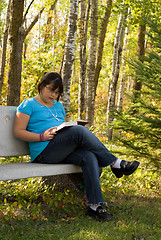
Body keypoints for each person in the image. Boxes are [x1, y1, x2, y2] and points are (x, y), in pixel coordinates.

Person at [14, 71, 140, 221]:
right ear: (41, 86)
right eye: (50, 89)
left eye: (57, 92)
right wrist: (41, 136)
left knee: (89, 156)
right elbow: (18, 132)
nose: (53, 94)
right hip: (44, 152)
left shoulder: (58, 106)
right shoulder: (29, 104)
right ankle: (115, 163)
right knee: (79, 131)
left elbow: (63, 127)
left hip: (60, 150)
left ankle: (94, 206)